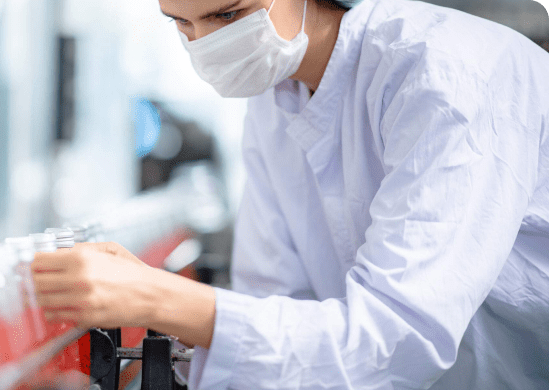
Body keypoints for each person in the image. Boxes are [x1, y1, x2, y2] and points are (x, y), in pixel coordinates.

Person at [32, 0, 549, 388]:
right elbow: (274, 302)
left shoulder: (447, 74)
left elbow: (395, 340)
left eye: (228, 15)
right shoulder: (276, 95)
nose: (204, 45)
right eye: (181, 23)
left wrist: (158, 297)